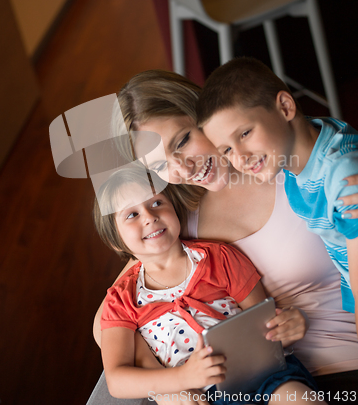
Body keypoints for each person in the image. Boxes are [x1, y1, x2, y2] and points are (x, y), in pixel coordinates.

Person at [93, 69, 358, 385]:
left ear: (205, 113)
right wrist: (170, 386)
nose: (183, 168)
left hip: (341, 359)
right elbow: (105, 323)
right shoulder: (175, 217)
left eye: (184, 140)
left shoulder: (282, 157)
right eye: (161, 166)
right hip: (255, 375)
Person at [95, 165, 322, 405]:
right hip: (198, 397)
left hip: (262, 374)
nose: (150, 216)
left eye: (157, 203)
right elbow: (117, 380)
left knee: (296, 398)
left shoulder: (220, 257)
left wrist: (286, 327)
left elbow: (264, 322)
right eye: (132, 215)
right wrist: (180, 379)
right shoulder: (120, 300)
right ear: (116, 242)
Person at [196, 57, 358, 327]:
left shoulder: (343, 180)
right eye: (226, 150)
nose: (241, 157)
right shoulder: (306, 146)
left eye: (245, 133)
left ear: (285, 107)